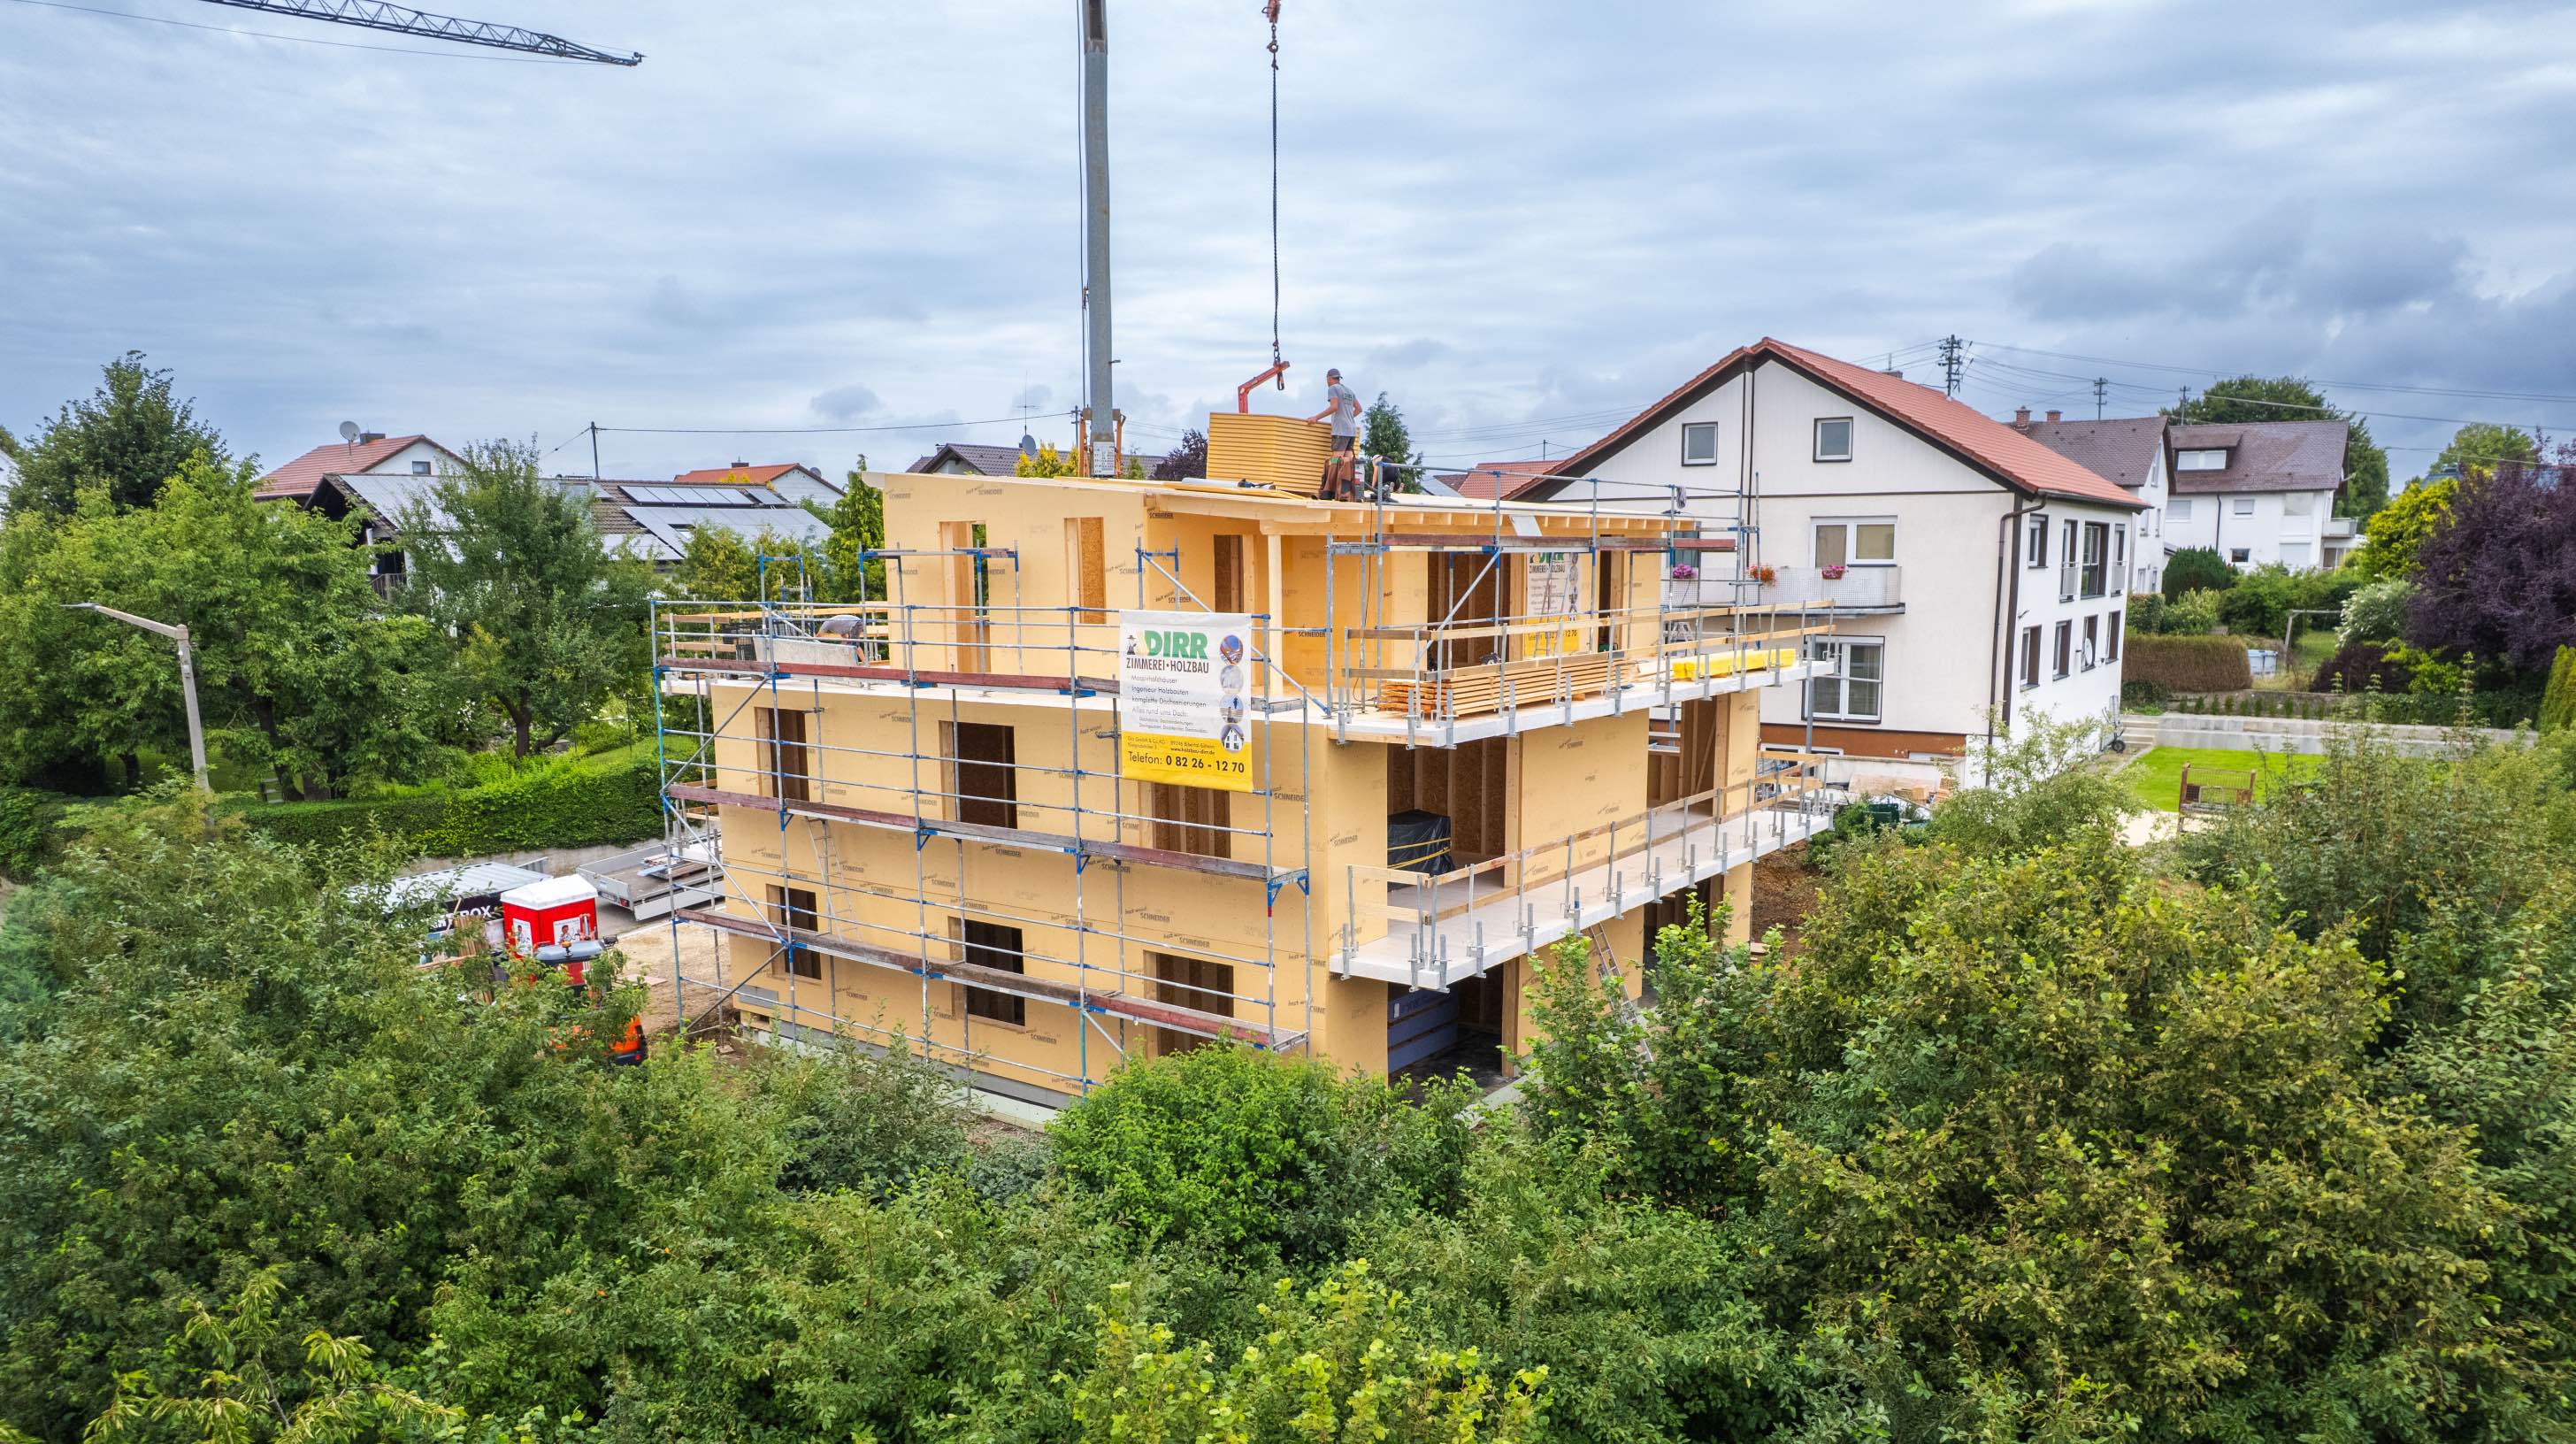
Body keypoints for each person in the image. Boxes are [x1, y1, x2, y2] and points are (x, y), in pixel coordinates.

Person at [1308, 367, 1363, 500]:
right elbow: (1359, 409)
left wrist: (1316, 418)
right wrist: (1348, 418)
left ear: (1329, 378)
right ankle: (1349, 494)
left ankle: (1327, 492)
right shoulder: (1349, 391)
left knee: (1335, 461)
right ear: (1339, 378)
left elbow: (1334, 407)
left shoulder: (1333, 388)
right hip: (1351, 430)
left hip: (1340, 431)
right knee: (1348, 463)